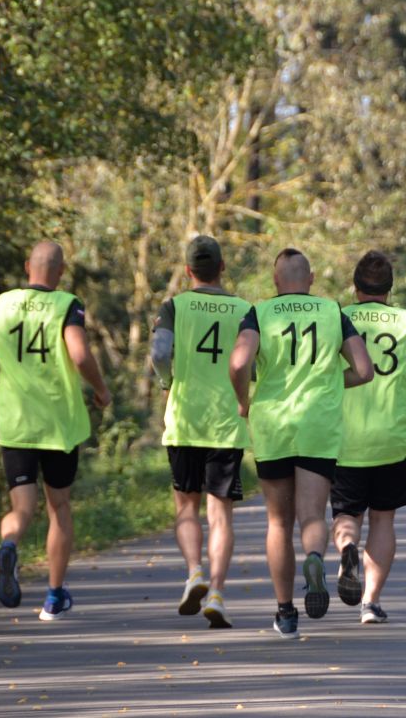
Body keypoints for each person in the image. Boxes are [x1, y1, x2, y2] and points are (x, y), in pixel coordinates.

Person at [228, 248, 374, 639]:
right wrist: (329, 382)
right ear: (310, 279)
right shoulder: (332, 312)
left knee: (278, 521)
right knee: (312, 515)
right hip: (317, 425)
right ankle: (314, 559)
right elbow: (364, 369)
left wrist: (243, 400)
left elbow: (239, 362)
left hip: (273, 425)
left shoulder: (259, 313)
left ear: (275, 281)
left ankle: (285, 612)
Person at [0, 241, 111, 621]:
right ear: (60, 272)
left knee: (21, 509)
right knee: (59, 506)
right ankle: (54, 596)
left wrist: (1, 381)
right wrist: (100, 388)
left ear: (27, 265)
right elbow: (79, 354)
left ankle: (9, 544)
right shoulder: (67, 305)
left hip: (16, 424)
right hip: (59, 424)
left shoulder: (0, 305)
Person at [332, 250, 406, 624]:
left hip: (342, 437)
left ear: (355, 285)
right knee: (383, 520)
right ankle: (369, 602)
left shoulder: (337, 318)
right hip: (393, 438)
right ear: (390, 287)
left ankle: (347, 548)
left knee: (348, 513)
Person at [151, 235, 251, 628]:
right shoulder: (245, 310)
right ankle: (218, 594)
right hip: (226, 422)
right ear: (222, 268)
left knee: (186, 507)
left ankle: (194, 571)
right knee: (220, 514)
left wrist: (166, 383)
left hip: (185, 420)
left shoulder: (173, 306)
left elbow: (160, 352)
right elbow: (250, 361)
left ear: (189, 269)